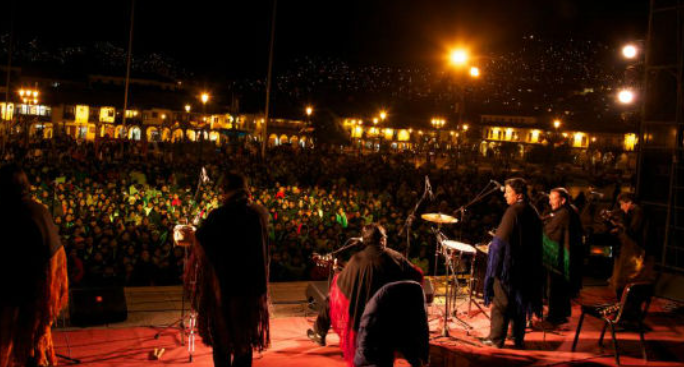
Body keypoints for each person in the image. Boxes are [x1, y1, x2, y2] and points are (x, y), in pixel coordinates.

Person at [306, 223, 423, 366]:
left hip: (360, 317)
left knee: (333, 296)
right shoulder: (395, 257)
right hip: (389, 319)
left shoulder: (356, 259)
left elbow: (343, 285)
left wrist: (339, 271)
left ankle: (319, 333)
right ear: (382, 240)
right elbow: (417, 276)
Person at [185, 172, 270, 367]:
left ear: (224, 191)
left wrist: (194, 235)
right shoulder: (256, 216)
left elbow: (202, 242)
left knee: (222, 343)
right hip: (249, 289)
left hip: (223, 289)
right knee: (243, 341)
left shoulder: (218, 216)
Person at [0, 164, 69, 367]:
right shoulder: (38, 209)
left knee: (18, 337)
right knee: (34, 336)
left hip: (28, 285)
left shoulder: (12, 212)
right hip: (42, 284)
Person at [482, 178, 543, 349]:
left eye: (508, 192)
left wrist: (492, 247)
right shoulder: (532, 210)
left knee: (501, 302)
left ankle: (496, 339)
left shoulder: (513, 211)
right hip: (527, 266)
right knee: (519, 303)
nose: (505, 196)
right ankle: (517, 337)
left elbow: (501, 241)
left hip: (509, 267)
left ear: (518, 194)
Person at [542, 188, 583, 326]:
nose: (550, 201)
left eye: (553, 198)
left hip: (559, 257)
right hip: (568, 256)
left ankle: (555, 316)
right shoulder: (571, 210)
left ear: (563, 200)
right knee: (562, 286)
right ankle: (562, 313)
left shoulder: (563, 213)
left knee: (555, 287)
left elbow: (549, 232)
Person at [608, 193, 654, 299]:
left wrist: (620, 223)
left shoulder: (638, 212)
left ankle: (625, 304)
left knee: (628, 277)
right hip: (632, 250)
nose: (621, 207)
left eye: (622, 204)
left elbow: (633, 231)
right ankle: (623, 303)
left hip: (635, 251)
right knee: (624, 277)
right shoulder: (635, 212)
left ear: (629, 202)